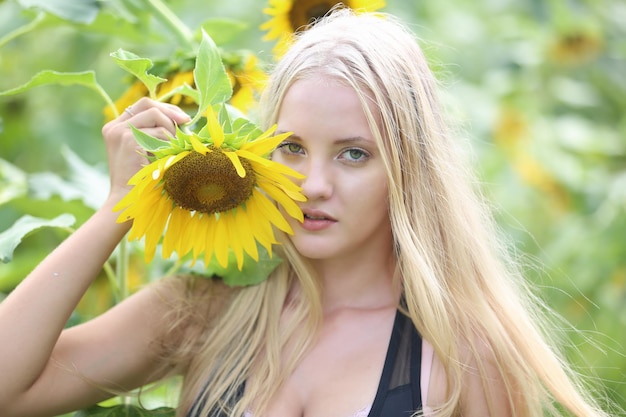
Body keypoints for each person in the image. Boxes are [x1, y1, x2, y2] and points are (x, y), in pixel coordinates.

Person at [0, 8, 615, 417]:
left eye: (353, 154)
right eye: (291, 148)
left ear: (409, 169)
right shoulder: (206, 308)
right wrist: (120, 209)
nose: (313, 184)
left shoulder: (460, 358)